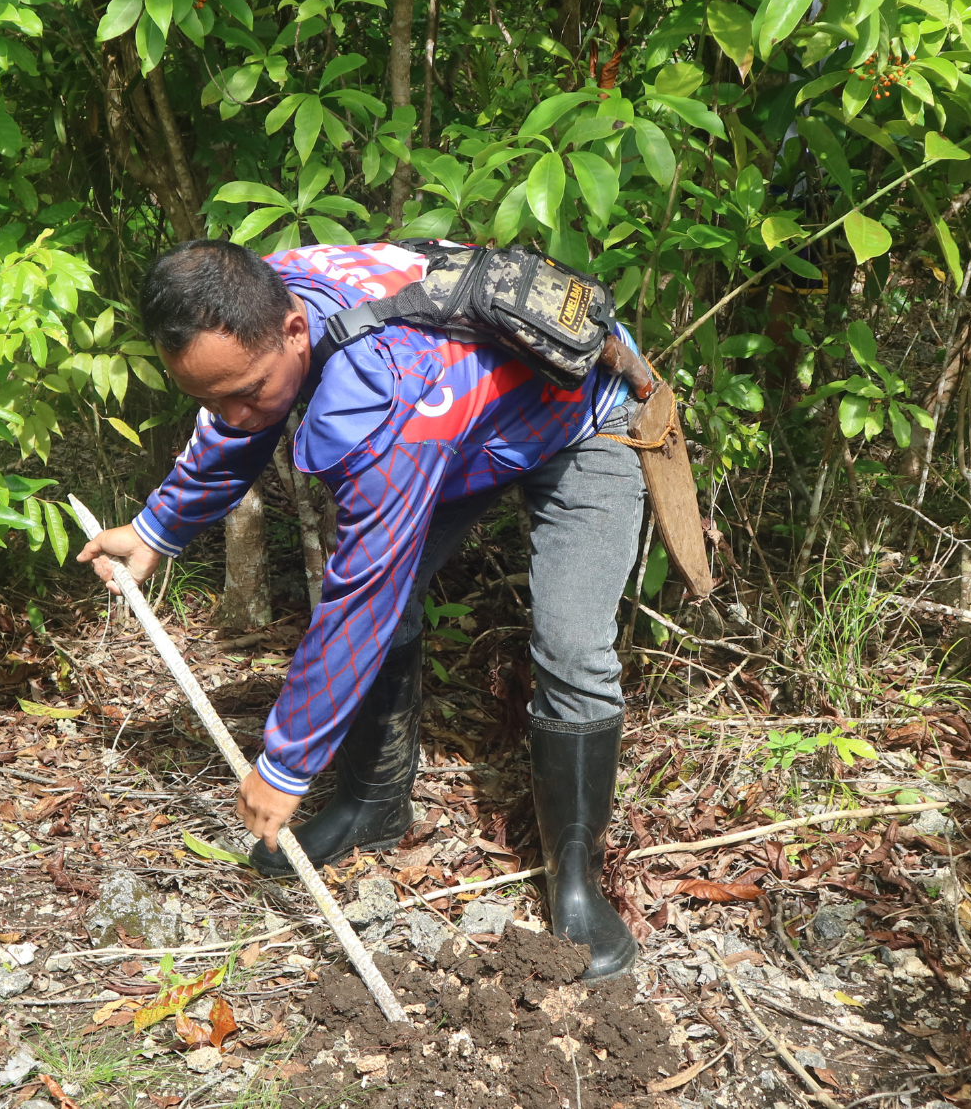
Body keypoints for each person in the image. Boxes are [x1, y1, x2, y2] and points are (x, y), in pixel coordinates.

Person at [77, 240, 644, 980]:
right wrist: (157, 530)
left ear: (292, 331)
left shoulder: (385, 392)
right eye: (210, 397)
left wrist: (285, 763)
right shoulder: (264, 295)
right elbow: (235, 423)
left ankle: (577, 881)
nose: (233, 414)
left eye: (246, 391)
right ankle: (373, 803)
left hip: (581, 414)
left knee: (571, 646)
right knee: (388, 585)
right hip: (468, 425)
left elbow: (363, 593)